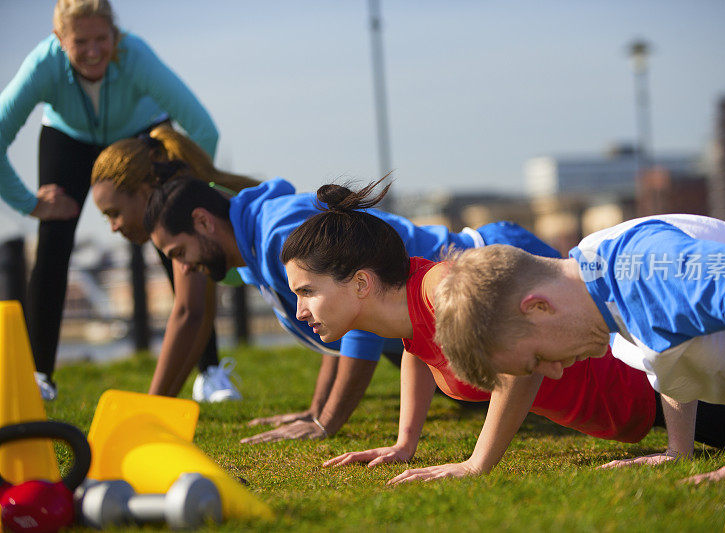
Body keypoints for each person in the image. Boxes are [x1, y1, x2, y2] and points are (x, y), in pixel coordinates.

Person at [277, 180, 725, 484]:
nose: (300, 311)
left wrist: (477, 463)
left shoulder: (444, 289)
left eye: (307, 291)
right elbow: (417, 353)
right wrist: (406, 442)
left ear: (361, 282)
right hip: (647, 404)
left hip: (669, 388)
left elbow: (517, 367)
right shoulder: (406, 310)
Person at [143, 175, 666, 446]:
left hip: (484, 267)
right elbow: (395, 339)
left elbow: (513, 370)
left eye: (177, 252)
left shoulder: (283, 233)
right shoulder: (403, 307)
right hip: (638, 408)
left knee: (649, 372)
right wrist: (395, 438)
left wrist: (329, 422)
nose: (181, 267)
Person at [434, 214, 725, 483]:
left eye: (537, 359)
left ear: (538, 307)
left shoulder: (637, 264)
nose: (555, 371)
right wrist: (678, 451)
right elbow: (677, 344)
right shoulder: (599, 282)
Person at [0, 0, 218, 400]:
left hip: (140, 134)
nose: (94, 50)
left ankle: (212, 373)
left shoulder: (136, 56)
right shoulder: (42, 65)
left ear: (115, 35)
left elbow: (204, 129)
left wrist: (184, 190)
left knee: (175, 238)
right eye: (80, 41)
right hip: (68, 137)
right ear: (58, 39)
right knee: (52, 244)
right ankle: (40, 378)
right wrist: (29, 203)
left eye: (103, 38)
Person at [91, 125, 259, 401]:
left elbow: (188, 313)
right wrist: (163, 403)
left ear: (145, 192)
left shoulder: (179, 212)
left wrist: (151, 406)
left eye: (115, 213)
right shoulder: (184, 196)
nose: (112, 227)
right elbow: (198, 317)